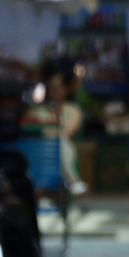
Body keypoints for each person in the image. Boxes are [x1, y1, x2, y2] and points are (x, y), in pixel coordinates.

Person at [41, 59, 87, 197]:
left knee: (60, 143)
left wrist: (50, 132)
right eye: (51, 88)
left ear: (65, 88)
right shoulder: (40, 111)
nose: (54, 92)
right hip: (41, 152)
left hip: (62, 149)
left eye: (57, 88)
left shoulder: (73, 110)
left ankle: (73, 181)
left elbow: (68, 132)